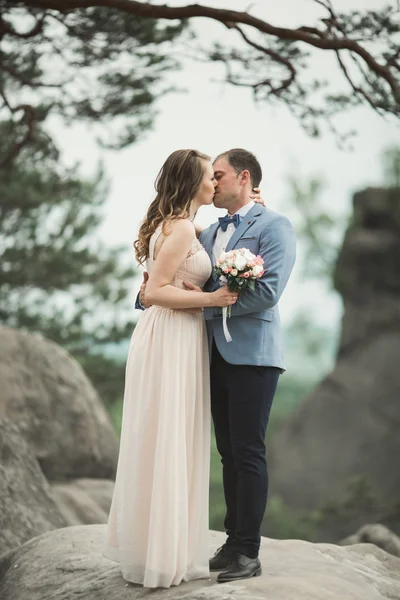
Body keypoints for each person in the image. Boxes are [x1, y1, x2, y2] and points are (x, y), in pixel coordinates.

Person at [140, 148, 296, 583]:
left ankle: (249, 551)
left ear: (243, 178)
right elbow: (179, 278)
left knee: (248, 451)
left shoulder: (275, 226)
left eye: (219, 175)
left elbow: (267, 293)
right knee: (227, 454)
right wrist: (160, 298)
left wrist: (202, 308)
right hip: (208, 355)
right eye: (209, 176)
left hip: (253, 356)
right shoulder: (205, 234)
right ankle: (231, 543)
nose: (213, 182)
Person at [104, 149, 239, 588]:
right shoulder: (180, 228)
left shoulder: (186, 225)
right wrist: (212, 299)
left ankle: (161, 549)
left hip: (176, 337)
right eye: (208, 177)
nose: (214, 184)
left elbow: (206, 240)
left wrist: (251, 200)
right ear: (191, 183)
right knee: (167, 438)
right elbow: (155, 292)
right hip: (170, 336)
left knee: (168, 437)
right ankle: (161, 555)